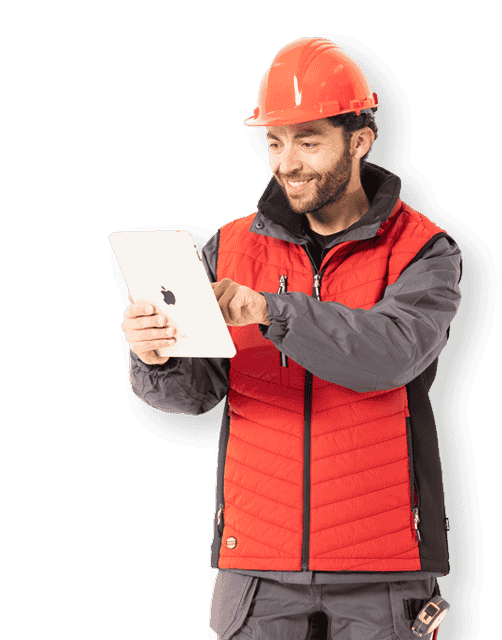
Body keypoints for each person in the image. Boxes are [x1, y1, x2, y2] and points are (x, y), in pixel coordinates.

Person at [120, 36, 461, 640]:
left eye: (308, 141)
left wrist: (269, 310)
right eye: (275, 142)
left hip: (383, 564)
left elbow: (392, 353)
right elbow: (195, 396)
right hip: (255, 562)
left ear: (361, 140)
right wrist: (157, 356)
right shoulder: (229, 248)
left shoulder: (423, 249)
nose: (286, 163)